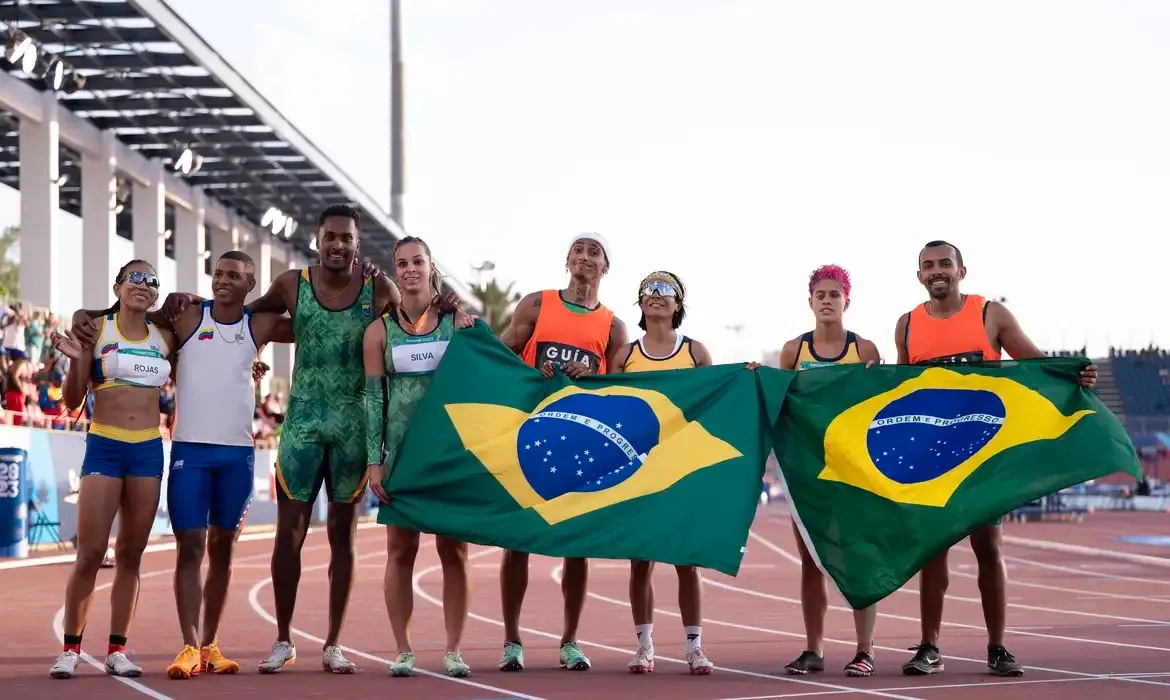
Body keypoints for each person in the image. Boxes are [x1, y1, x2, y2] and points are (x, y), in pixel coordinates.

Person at [158, 204, 463, 674]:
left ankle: (333, 644)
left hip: (354, 430)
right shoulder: (290, 284)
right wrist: (189, 305)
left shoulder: (378, 287)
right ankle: (282, 639)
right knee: (289, 536)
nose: (338, 244)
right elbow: (238, 319)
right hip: (301, 426)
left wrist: (445, 303)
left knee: (344, 537)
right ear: (317, 240)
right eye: (330, 236)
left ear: (358, 243)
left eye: (346, 237)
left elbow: (412, 320)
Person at [894, 240, 1097, 678]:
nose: (937, 271)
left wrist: (1074, 374)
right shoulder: (907, 325)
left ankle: (998, 647)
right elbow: (897, 393)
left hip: (985, 454)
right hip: (933, 461)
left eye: (944, 263)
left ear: (962, 271)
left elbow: (1037, 365)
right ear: (919, 276)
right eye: (928, 266)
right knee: (933, 554)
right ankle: (929, 646)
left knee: (989, 550)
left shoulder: (990, 315)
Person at [494, 233, 630, 672]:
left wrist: (590, 373)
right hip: (530, 435)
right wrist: (533, 371)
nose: (585, 258)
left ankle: (570, 640)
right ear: (567, 260)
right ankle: (512, 640)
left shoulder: (613, 326)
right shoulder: (537, 304)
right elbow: (498, 357)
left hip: (581, 444)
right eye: (578, 250)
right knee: (517, 542)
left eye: (595, 253)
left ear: (605, 268)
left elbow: (619, 389)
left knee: (577, 546)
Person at [48, 260, 177, 679]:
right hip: (104, 446)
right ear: (118, 287)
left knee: (131, 556)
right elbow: (70, 402)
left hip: (147, 451)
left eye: (151, 280)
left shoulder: (165, 338)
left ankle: (117, 650)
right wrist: (75, 360)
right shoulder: (95, 331)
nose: (144, 285)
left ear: (156, 294)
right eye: (135, 278)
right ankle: (70, 649)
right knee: (89, 553)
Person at [363, 236, 475, 678]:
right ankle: (403, 649)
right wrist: (375, 460)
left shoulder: (457, 324)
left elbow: (489, 372)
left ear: (431, 267)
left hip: (450, 454)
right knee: (400, 551)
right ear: (395, 271)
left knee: (455, 551)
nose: (410, 269)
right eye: (402, 263)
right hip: (403, 454)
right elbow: (373, 399)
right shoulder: (379, 331)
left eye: (418, 262)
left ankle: (454, 650)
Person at [607, 271, 716, 675]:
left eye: (666, 289)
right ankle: (644, 647)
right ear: (640, 303)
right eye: (649, 289)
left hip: (682, 471)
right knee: (641, 562)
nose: (656, 295)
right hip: (638, 471)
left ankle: (694, 647)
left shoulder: (696, 352)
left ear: (678, 304)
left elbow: (717, 402)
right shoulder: (625, 356)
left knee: (687, 562)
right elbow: (610, 409)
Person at [778, 264, 882, 678]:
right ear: (809, 302)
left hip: (854, 472)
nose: (826, 300)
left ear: (847, 302)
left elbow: (879, 406)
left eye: (834, 294)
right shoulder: (793, 352)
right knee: (810, 562)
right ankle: (813, 650)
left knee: (859, 557)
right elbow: (777, 403)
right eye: (819, 294)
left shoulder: (866, 350)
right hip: (808, 472)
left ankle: (864, 650)